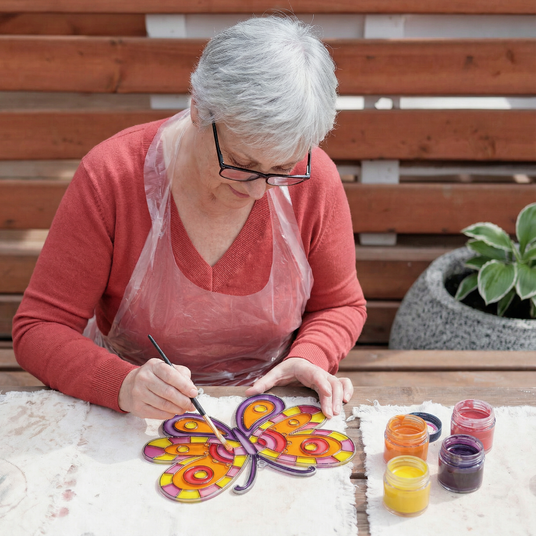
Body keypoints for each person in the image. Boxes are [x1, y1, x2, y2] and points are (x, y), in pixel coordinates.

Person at [13, 16, 366, 421]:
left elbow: (340, 306)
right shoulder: (112, 176)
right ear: (199, 108)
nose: (257, 189)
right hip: (135, 417)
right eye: (241, 163)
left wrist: (311, 354)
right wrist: (123, 384)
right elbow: (38, 327)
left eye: (281, 169)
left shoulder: (314, 180)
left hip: (270, 409)